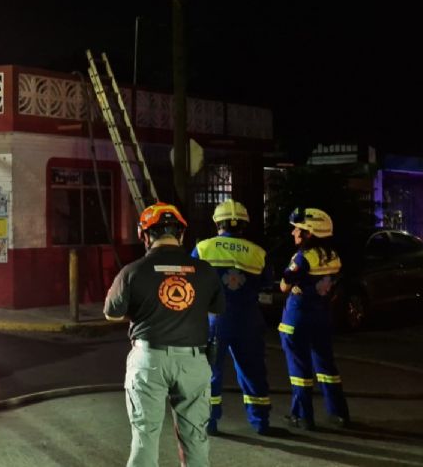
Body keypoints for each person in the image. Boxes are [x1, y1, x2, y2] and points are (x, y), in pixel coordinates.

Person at [105, 202, 224, 467]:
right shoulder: (205, 270)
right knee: (195, 438)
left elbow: (111, 313)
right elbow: (216, 308)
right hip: (194, 362)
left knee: (145, 436)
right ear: (181, 234)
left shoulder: (132, 272)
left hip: (149, 361)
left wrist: (143, 311)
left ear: (145, 235)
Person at [192, 200, 273, 435]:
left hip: (215, 319)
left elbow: (190, 280)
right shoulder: (258, 253)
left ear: (217, 222)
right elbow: (267, 283)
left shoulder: (204, 248)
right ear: (243, 224)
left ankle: (210, 422)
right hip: (249, 318)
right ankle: (261, 422)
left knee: (210, 371)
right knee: (253, 370)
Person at [278, 207, 350, 430]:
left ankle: (302, 416)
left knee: (299, 369)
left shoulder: (303, 257)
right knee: (327, 367)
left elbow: (284, 285)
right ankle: (339, 414)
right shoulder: (334, 256)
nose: (293, 234)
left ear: (309, 233)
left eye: (297, 230)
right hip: (322, 318)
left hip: (297, 319)